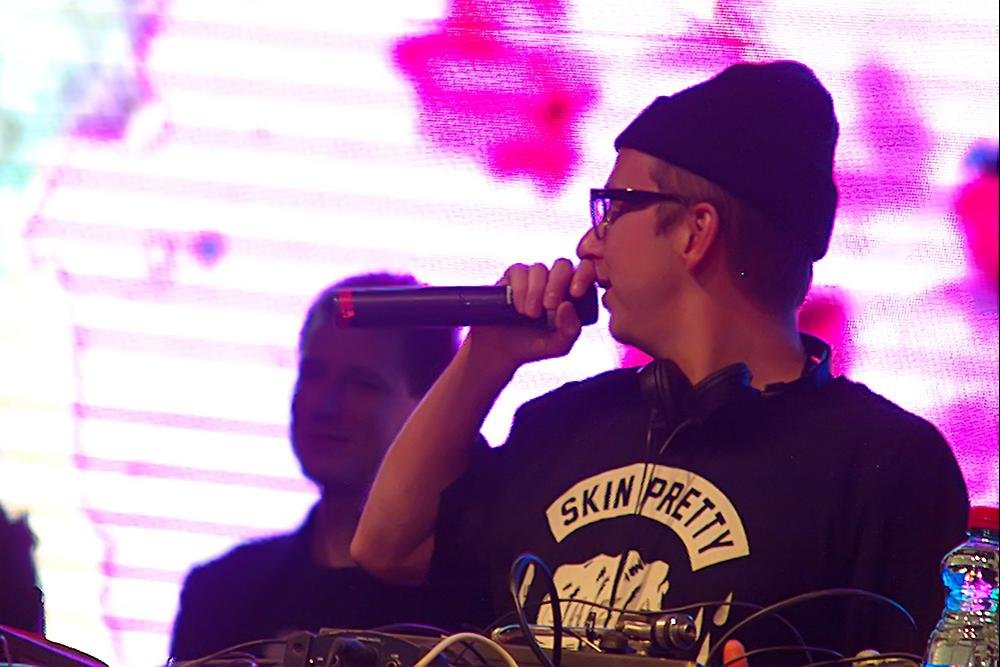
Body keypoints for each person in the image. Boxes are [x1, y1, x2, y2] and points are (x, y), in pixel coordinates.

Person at [351, 61, 969, 665]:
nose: (588, 243)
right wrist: (485, 358)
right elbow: (387, 546)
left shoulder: (886, 464)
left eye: (613, 208)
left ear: (694, 232)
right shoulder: (564, 424)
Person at [169, 272, 460, 660]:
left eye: (362, 383)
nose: (326, 405)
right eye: (313, 373)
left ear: (430, 404)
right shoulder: (221, 592)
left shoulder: (473, 597)